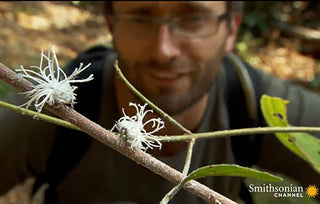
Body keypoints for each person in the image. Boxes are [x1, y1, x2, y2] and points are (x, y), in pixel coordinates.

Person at [0, 1, 319, 204]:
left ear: (231, 29)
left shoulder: (264, 108)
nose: (164, 50)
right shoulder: (49, 115)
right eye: (141, 17)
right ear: (112, 25)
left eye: (193, 17)